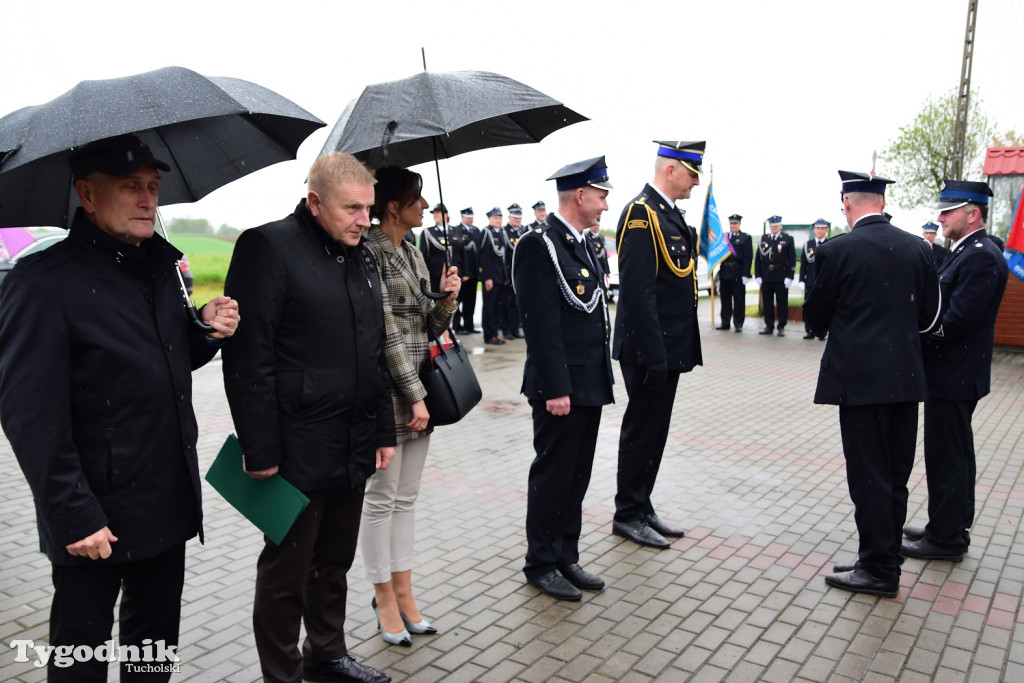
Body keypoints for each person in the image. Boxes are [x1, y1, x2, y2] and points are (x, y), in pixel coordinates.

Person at [0, 134, 240, 682]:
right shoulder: (42, 283)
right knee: (81, 654)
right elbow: (28, 414)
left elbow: (163, 360)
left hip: (166, 498)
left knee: (153, 652)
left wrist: (204, 329)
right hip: (94, 517)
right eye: (131, 187)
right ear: (86, 194)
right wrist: (72, 514)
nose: (148, 200)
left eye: (154, 188)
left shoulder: (156, 268)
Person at [222, 152, 395, 683]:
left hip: (354, 440)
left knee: (334, 562)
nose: (364, 220)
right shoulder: (267, 247)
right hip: (295, 445)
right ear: (315, 201)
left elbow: (375, 349)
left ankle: (328, 652)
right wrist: (260, 449)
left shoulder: (361, 253)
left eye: (368, 208)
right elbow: (248, 358)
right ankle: (283, 673)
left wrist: (383, 429)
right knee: (286, 570)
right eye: (352, 209)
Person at [805, 170, 940, 598]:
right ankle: (880, 556)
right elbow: (932, 318)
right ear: (881, 203)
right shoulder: (920, 248)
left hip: (859, 384)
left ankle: (879, 570)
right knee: (895, 474)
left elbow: (815, 318)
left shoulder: (836, 251)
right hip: (905, 380)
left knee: (868, 476)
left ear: (847, 204)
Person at [360, 167, 461, 647]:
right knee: (381, 499)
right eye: (416, 199)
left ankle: (405, 589)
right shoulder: (371, 251)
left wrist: (449, 298)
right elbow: (383, 332)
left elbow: (428, 324)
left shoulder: (415, 253)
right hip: (391, 391)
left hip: (421, 389)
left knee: (407, 498)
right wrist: (413, 394)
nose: (425, 207)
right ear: (394, 206)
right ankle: (383, 597)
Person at [513, 156, 615, 601]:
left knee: (578, 474)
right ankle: (541, 562)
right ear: (581, 194)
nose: (605, 206)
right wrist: (555, 387)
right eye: (602, 196)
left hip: (589, 382)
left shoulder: (584, 244)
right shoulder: (540, 244)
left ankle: (565, 555)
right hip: (561, 388)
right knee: (553, 474)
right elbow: (541, 324)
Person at [902, 180, 1009, 562]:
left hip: (954, 374)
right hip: (955, 374)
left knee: (946, 457)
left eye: (948, 211)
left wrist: (913, 329)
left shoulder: (980, 256)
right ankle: (947, 526)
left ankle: (945, 539)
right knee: (955, 453)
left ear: (972, 213)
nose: (940, 218)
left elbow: (956, 320)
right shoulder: (967, 251)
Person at [611, 140, 704, 549]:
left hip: (668, 349)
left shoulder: (668, 215)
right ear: (670, 171)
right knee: (641, 430)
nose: (694, 184)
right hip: (649, 351)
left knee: (656, 431)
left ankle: (642, 504)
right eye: (691, 174)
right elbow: (637, 293)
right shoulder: (640, 215)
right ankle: (627, 514)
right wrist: (654, 355)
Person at [755, 215, 796, 336]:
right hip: (767, 275)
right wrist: (758, 275)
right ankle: (769, 325)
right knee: (767, 302)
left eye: (776, 225)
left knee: (781, 302)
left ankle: (781, 326)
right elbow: (758, 259)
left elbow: (792, 259)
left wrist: (790, 276)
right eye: (772, 226)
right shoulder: (764, 239)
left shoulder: (787, 239)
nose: (774, 227)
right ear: (769, 226)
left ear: (780, 226)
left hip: (781, 275)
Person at [716, 214, 753, 331]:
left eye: (735, 223)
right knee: (725, 300)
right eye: (731, 223)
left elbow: (748, 258)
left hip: (738, 273)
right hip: (725, 272)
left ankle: (738, 323)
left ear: (739, 224)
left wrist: (746, 274)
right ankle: (725, 322)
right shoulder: (723, 237)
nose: (733, 225)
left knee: (739, 299)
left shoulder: (745, 238)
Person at [479, 206, 510, 345]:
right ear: (490, 219)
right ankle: (489, 335)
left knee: (498, 307)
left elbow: (503, 256)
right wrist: (487, 277)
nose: (498, 220)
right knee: (489, 307)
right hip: (491, 276)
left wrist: (505, 277)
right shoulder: (486, 232)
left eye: (499, 218)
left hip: (501, 276)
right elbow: (484, 257)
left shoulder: (502, 232)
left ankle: (495, 334)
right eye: (495, 218)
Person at [799, 218, 830, 340]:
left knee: (823, 307)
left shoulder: (830, 243)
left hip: (825, 281)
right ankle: (809, 330)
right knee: (809, 306)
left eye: (822, 228)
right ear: (814, 230)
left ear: (826, 230)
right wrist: (802, 279)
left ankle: (822, 331)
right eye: (817, 228)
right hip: (810, 281)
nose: (820, 231)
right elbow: (803, 264)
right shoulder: (808, 245)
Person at [451, 207, 480, 333]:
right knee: (458, 300)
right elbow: (457, 255)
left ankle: (469, 325)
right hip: (462, 273)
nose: (470, 219)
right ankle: (457, 326)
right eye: (468, 217)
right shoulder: (456, 230)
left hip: (473, 272)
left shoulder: (476, 231)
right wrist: (462, 272)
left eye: (471, 217)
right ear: (462, 217)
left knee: (470, 301)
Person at [502, 203, 526, 338]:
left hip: (519, 273)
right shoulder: (505, 231)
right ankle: (507, 330)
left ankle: (515, 329)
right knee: (507, 304)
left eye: (519, 218)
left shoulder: (522, 231)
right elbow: (504, 256)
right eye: (515, 218)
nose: (518, 220)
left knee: (517, 303)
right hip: (508, 273)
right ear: (510, 217)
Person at [418, 203, 450, 292]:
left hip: (454, 275)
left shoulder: (455, 231)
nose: (435, 215)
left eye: (438, 212)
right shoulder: (428, 232)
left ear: (445, 214)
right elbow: (423, 256)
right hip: (435, 276)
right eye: (434, 213)